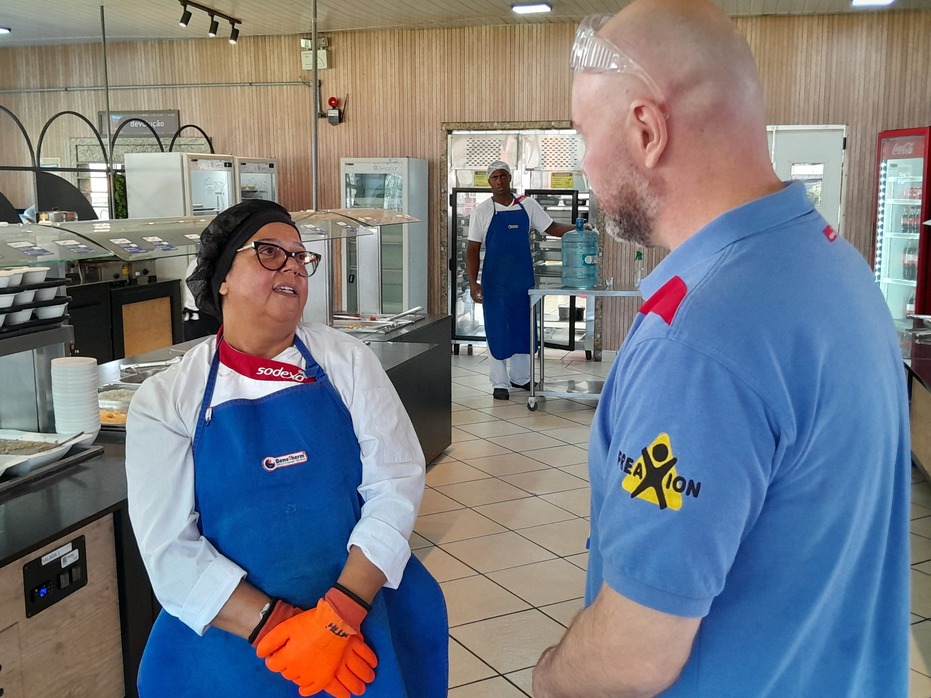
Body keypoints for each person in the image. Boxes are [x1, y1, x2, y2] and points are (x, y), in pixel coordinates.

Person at [533, 1, 909, 696]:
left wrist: (550, 677)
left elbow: (633, 657)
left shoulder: (699, 338)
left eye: (584, 136)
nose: (584, 166)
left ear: (646, 130)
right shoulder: (833, 265)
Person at [125, 199, 448, 697]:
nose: (294, 265)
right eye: (271, 252)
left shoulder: (346, 361)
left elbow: (396, 482)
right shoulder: (167, 400)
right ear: (222, 278)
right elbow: (170, 551)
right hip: (238, 646)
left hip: (361, 622)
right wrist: (278, 629)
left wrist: (339, 616)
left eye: (300, 256)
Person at [466, 161, 575, 399]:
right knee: (497, 329)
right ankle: (499, 383)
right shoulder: (482, 211)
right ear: (489, 181)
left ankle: (521, 378)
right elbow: (472, 250)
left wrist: (578, 229)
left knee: (523, 328)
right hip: (495, 283)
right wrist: (473, 283)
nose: (500, 181)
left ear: (510, 178)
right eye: (495, 177)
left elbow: (551, 227)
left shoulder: (527, 205)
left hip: (521, 280)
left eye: (503, 176)